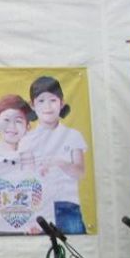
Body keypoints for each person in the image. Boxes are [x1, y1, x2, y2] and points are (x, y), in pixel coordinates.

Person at [0, 94, 51, 235]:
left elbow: (43, 191)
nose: (12, 126)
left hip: (26, 229)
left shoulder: (35, 155)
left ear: (28, 126)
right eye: (6, 120)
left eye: (18, 121)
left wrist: (38, 222)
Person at [19, 75, 88, 234]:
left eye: (53, 100)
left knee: (75, 248)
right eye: (41, 101)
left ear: (61, 103)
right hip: (39, 208)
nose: (48, 106)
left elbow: (80, 172)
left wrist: (58, 162)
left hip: (67, 206)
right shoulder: (27, 140)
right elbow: (27, 180)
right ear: (32, 105)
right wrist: (30, 218)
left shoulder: (73, 135)